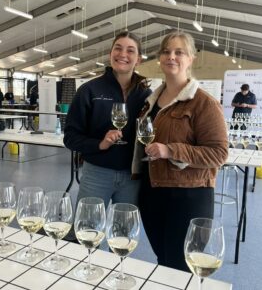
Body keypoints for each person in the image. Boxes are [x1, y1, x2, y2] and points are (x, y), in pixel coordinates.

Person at [133, 31, 228, 271]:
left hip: (188, 197)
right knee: (163, 262)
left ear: (191, 59)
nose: (171, 57)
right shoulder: (151, 101)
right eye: (166, 51)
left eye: (179, 52)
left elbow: (218, 153)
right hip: (153, 193)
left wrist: (171, 150)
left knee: (182, 265)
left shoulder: (204, 103)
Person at [64, 31, 151, 208]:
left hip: (132, 176)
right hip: (96, 172)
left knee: (125, 232)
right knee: (89, 229)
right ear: (110, 54)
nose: (123, 54)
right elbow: (70, 138)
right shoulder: (89, 90)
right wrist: (100, 144)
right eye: (117, 48)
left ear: (139, 60)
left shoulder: (146, 95)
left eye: (130, 50)